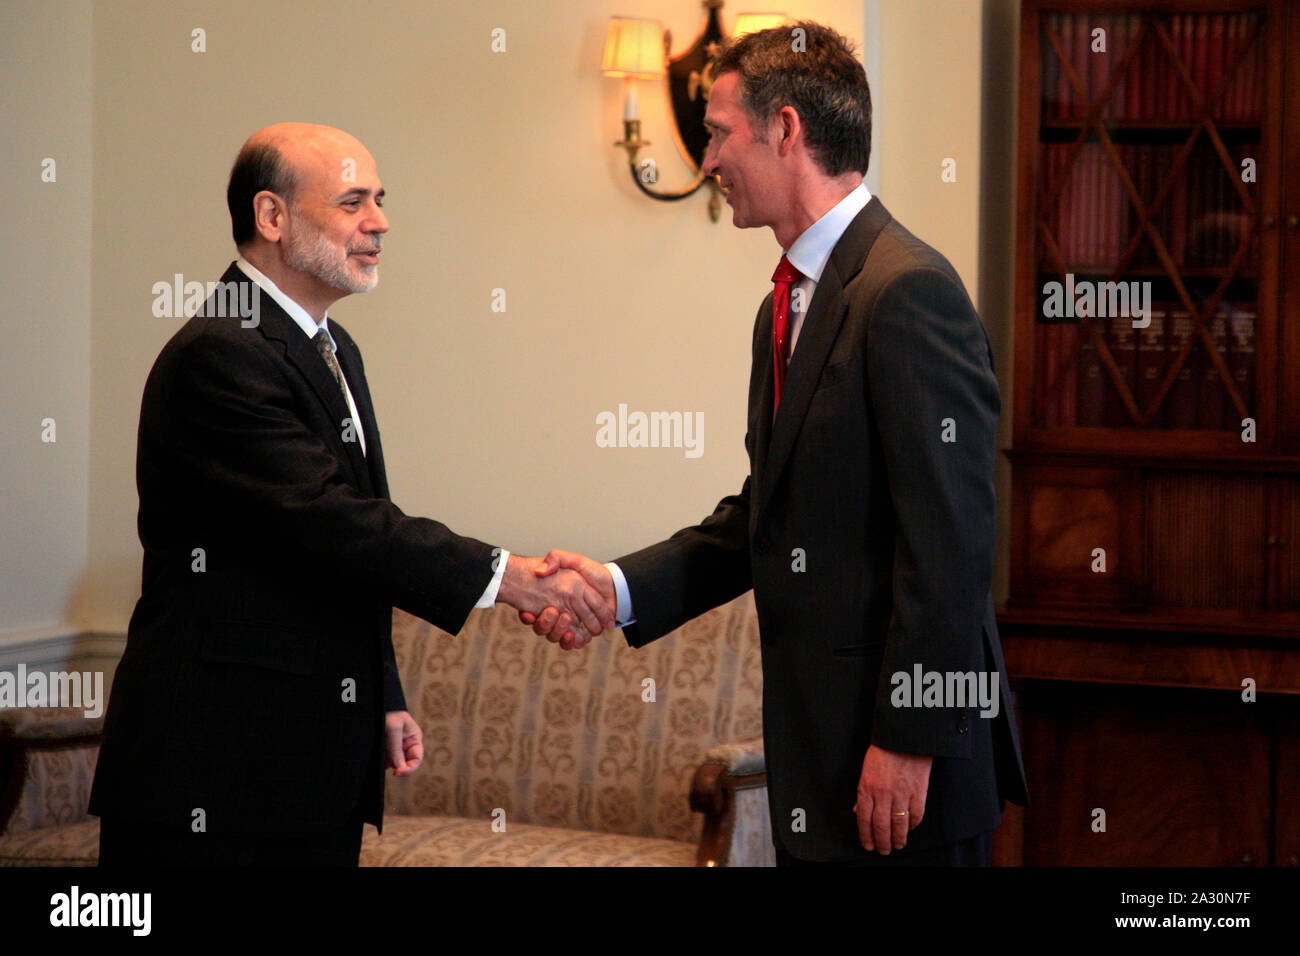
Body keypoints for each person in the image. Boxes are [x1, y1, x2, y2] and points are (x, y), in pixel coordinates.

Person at [524, 23, 1029, 865]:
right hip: (819, 761)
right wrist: (618, 589)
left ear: (786, 130)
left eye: (719, 133)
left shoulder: (907, 291)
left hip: (902, 773)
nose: (709, 160)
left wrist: (907, 741)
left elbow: (950, 543)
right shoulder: (786, 305)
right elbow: (771, 517)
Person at [88, 123, 615, 866]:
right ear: (272, 218)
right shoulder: (222, 352)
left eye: (380, 200)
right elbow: (331, 520)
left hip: (307, 765)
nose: (380, 222)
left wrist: (385, 695)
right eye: (352, 202)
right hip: (218, 768)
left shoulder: (331, 347)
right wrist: (513, 578)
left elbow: (351, 549)